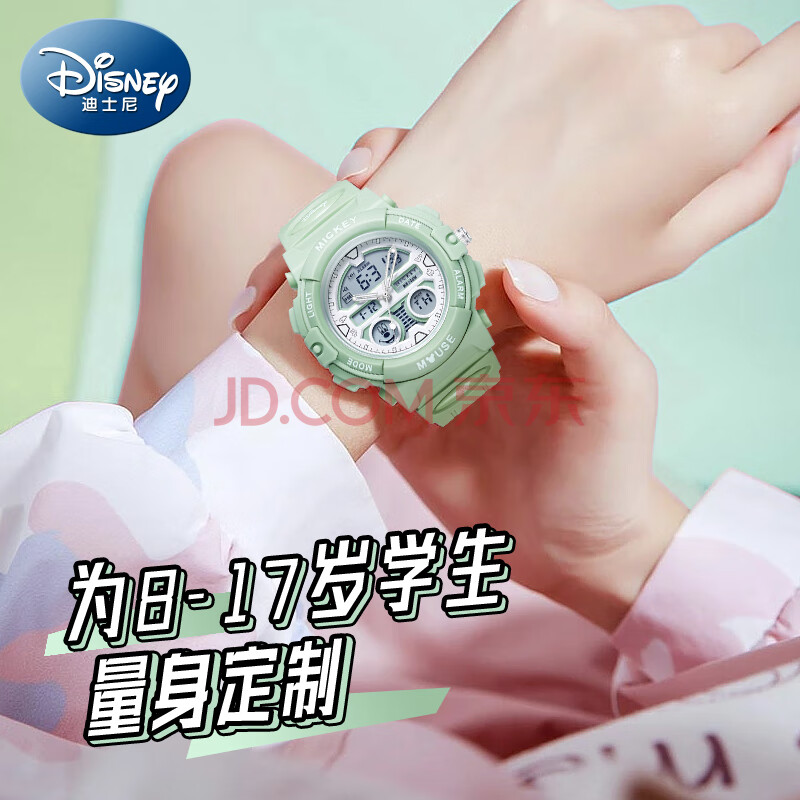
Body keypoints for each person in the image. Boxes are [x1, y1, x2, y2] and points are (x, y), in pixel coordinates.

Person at [1, 2, 799, 797]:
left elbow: (38, 676)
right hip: (649, 665)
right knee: (228, 189)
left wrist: (329, 356)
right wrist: (626, 554)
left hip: (195, 725)